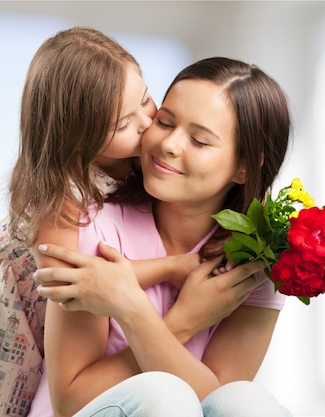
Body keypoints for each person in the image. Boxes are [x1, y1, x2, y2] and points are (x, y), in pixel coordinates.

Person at [0, 28, 256, 417]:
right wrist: (173, 272)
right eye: (124, 124)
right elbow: (79, 280)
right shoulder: (64, 198)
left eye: (146, 101)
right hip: (12, 338)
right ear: (80, 140)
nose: (147, 126)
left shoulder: (141, 172)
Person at [31, 57, 293, 416]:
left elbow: (217, 405)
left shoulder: (254, 263)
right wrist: (180, 321)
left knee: (248, 403)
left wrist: (132, 307)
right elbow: (69, 400)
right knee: (162, 395)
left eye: (199, 141)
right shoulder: (91, 224)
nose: (169, 144)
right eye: (165, 121)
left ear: (245, 166)